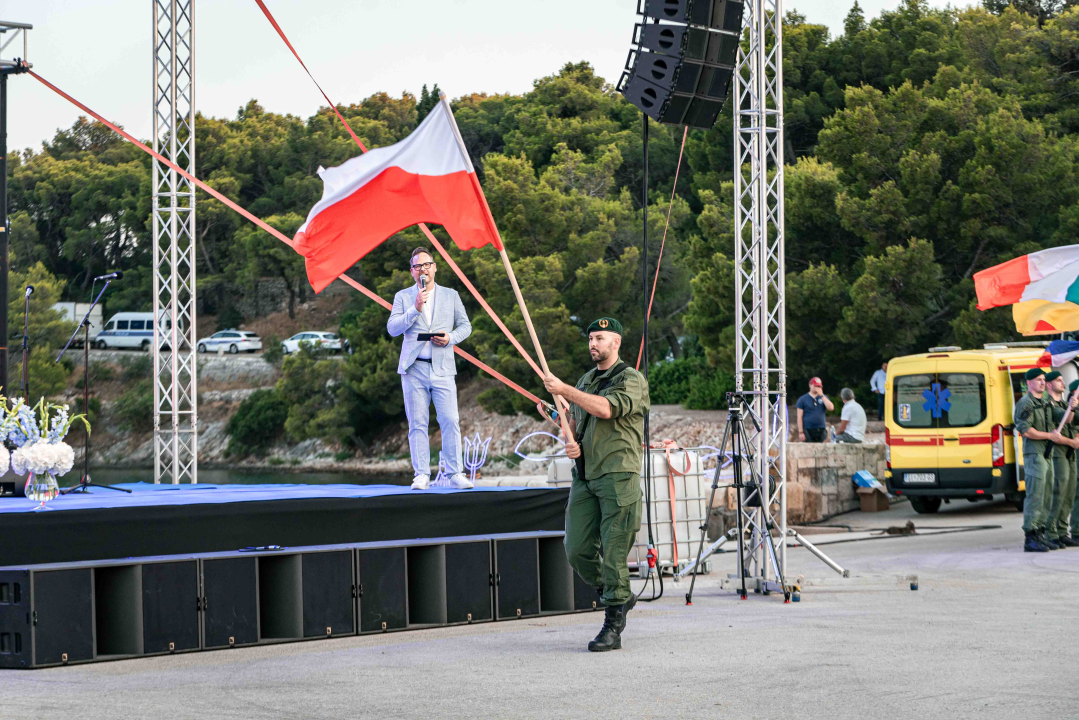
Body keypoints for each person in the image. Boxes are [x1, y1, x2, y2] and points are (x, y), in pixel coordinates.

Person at [542, 317, 649, 652]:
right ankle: (619, 594)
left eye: (599, 338)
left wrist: (564, 390)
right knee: (576, 549)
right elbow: (576, 424)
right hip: (585, 475)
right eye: (590, 338)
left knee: (614, 551)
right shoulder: (586, 379)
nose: (593, 343)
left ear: (615, 342)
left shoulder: (630, 379)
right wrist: (562, 424)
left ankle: (612, 625)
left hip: (618, 475)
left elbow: (605, 409)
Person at [387, 247, 473, 490]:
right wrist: (415, 308)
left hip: (443, 367)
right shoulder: (403, 297)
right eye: (417, 266)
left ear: (435, 267)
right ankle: (421, 474)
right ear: (412, 271)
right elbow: (392, 329)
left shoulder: (451, 295)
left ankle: (455, 472)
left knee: (450, 420)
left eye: (426, 264)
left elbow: (466, 326)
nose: (422, 269)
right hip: (413, 369)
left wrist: (451, 338)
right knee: (417, 423)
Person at [1014, 368, 1064, 552]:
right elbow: (1026, 431)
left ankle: (1040, 533)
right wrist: (1049, 436)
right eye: (1038, 380)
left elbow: (1060, 417)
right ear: (1029, 383)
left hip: (1047, 454)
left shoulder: (1045, 401)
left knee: (1047, 494)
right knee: (1035, 496)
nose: (1043, 382)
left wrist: (1072, 408)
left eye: (1044, 379)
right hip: (1035, 455)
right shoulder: (1025, 404)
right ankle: (1031, 537)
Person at [1044, 372, 1079, 548]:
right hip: (1057, 452)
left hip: (1069, 452)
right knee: (1058, 491)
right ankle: (1050, 532)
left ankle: (1062, 531)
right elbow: (1058, 429)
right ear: (1049, 385)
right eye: (1058, 380)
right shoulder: (1048, 404)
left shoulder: (1064, 403)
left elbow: (1072, 421)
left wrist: (1072, 407)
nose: (1062, 382)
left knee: (1069, 492)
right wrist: (1072, 441)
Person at [796, 377, 833, 442]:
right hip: (808, 429)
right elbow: (799, 417)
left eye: (819, 386)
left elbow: (831, 408)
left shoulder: (824, 397)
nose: (817, 388)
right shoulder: (803, 399)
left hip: (821, 429)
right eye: (815, 386)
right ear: (810, 385)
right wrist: (801, 432)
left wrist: (821, 395)